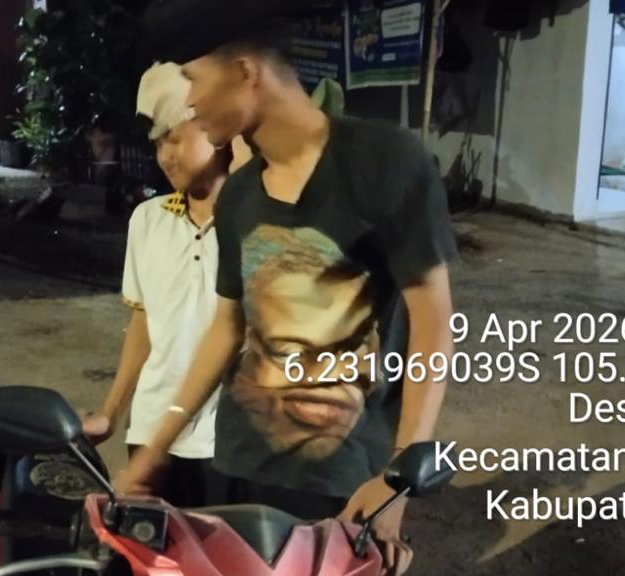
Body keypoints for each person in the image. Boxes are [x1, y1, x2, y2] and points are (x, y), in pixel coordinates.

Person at [120, 3, 458, 573]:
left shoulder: (384, 161)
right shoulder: (240, 196)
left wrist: (399, 476)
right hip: (238, 465)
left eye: (195, 80)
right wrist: (158, 443)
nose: (191, 101)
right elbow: (226, 329)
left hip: (343, 479)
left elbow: (433, 324)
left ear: (245, 72)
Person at [81, 62, 233, 508]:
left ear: (217, 131)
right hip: (150, 436)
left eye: (175, 137)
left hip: (224, 441)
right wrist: (111, 413)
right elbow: (144, 324)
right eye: (157, 142)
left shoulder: (252, 223)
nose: (165, 155)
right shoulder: (147, 220)